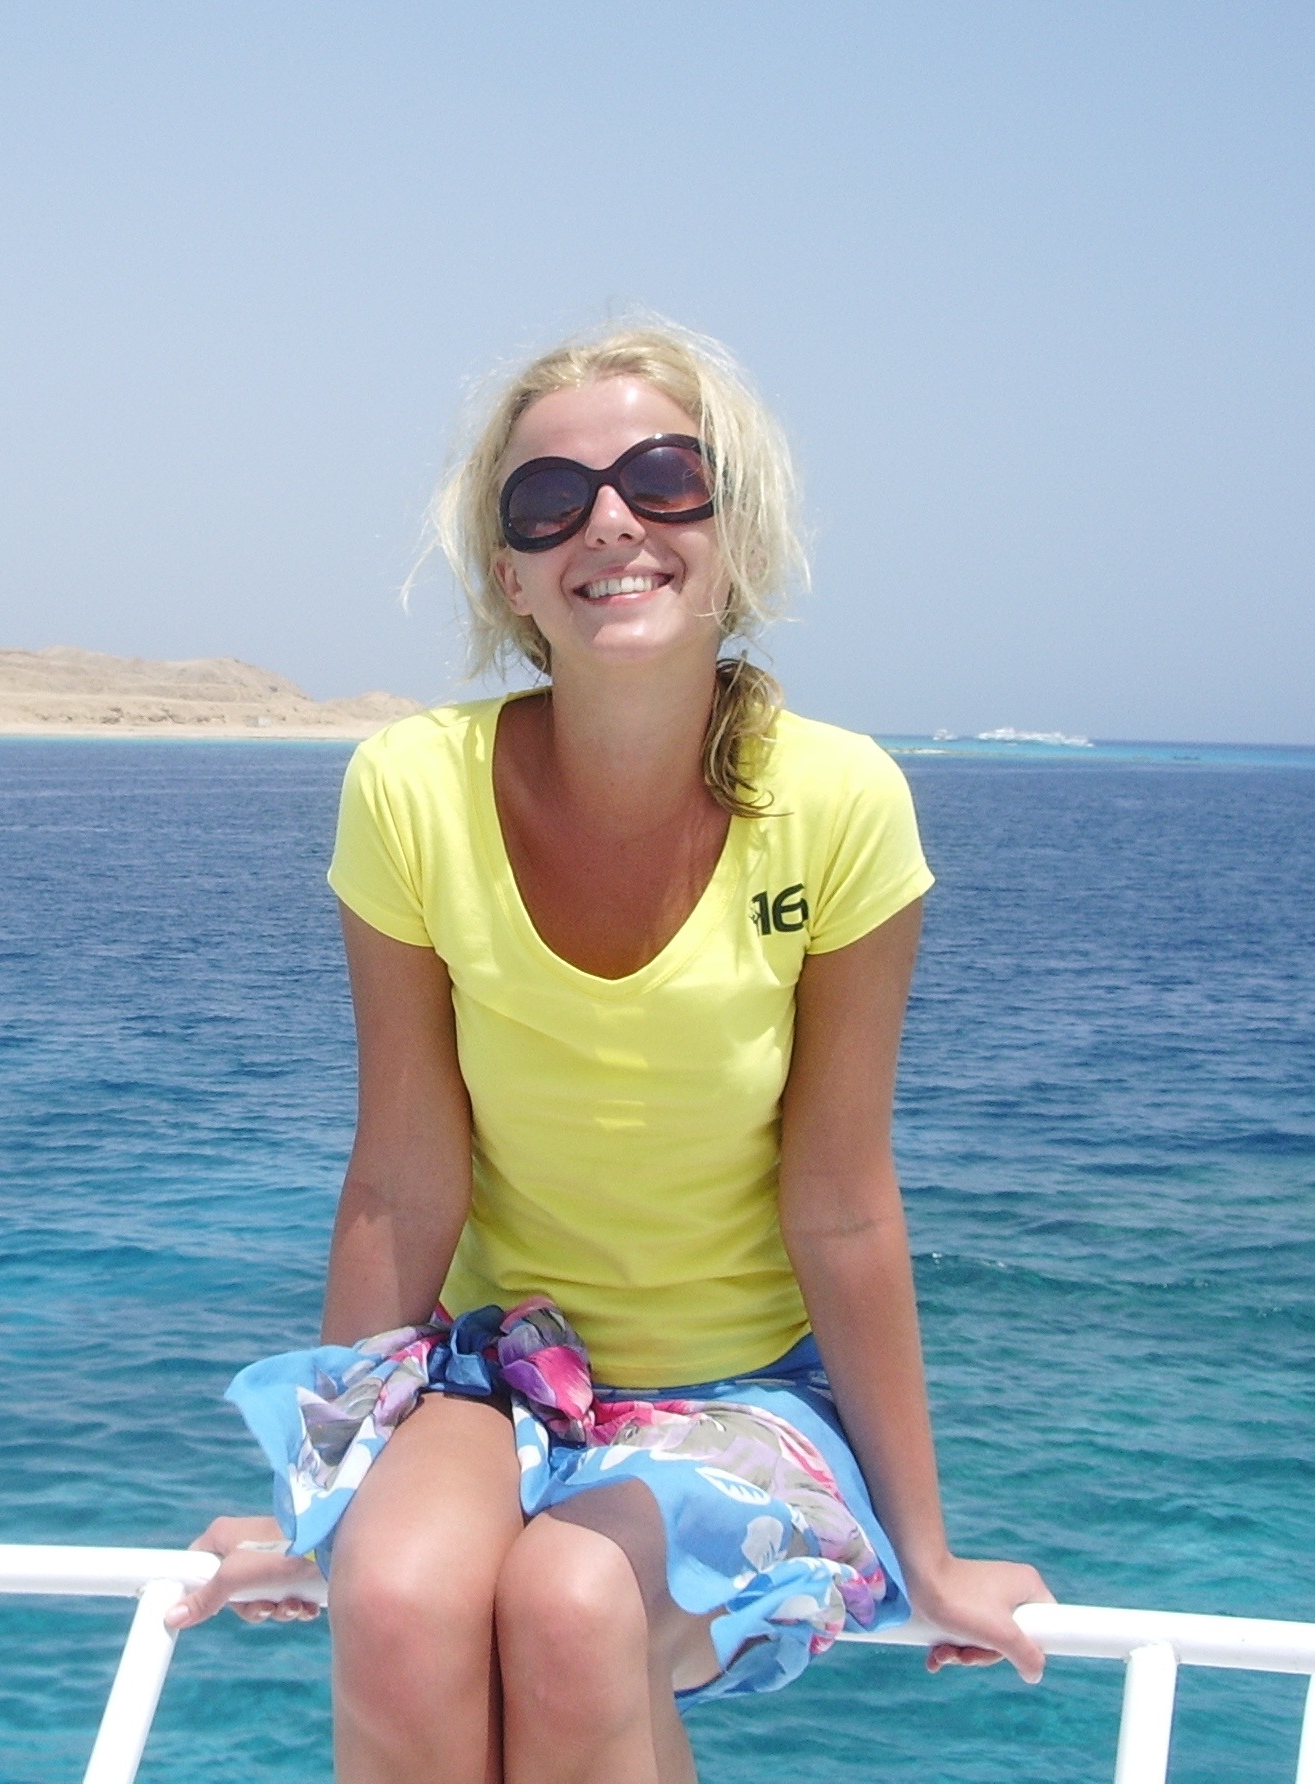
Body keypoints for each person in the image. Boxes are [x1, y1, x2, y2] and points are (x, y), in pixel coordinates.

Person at [168, 321, 1050, 1784]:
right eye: (548, 499)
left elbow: (840, 1202)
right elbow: (401, 1178)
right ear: (508, 573)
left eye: (663, 478)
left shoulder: (839, 804)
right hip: (498, 1369)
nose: (610, 522)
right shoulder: (410, 790)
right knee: (392, 1601)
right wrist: (313, 1502)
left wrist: (932, 1551)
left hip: (748, 1393)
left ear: (733, 530)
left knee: (573, 1608)